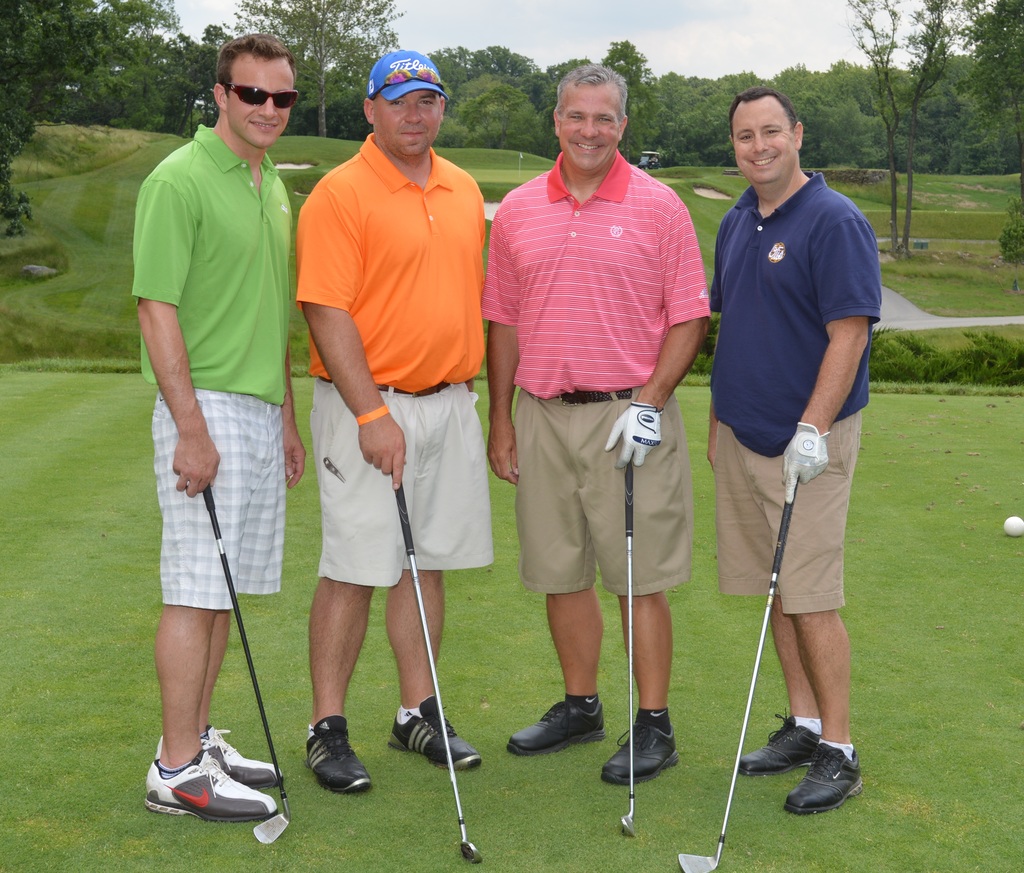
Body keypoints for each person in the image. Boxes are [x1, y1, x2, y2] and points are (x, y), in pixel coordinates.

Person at [483, 64, 710, 784]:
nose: (589, 130)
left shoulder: (660, 206)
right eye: (576, 116)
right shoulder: (518, 209)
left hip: (628, 414)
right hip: (542, 413)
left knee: (638, 576)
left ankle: (655, 723)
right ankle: (581, 706)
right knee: (560, 571)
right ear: (556, 121)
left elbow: (689, 316)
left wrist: (651, 402)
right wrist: (500, 419)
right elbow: (503, 320)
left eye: (604, 117)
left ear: (622, 125)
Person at [295, 49, 493, 794]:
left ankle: (417, 711)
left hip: (449, 400)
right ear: (370, 109)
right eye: (400, 100)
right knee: (353, 566)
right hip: (368, 405)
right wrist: (371, 413)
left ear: (441, 107)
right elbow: (325, 309)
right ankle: (326, 727)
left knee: (424, 561)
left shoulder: (462, 187)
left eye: (428, 100)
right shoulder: (340, 193)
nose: (415, 114)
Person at [133, 33, 305, 822]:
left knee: (222, 590)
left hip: (259, 408)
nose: (269, 108)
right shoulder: (179, 179)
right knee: (195, 587)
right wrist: (191, 427)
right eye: (253, 94)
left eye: (282, 96)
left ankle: (198, 739)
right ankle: (175, 769)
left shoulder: (272, 184)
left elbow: (268, 312)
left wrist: (288, 419)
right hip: (204, 404)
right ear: (221, 96)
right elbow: (156, 308)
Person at [708, 86, 881, 814]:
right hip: (743, 434)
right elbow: (735, 326)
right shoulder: (736, 219)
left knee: (809, 596)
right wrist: (718, 422)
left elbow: (851, 332)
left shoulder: (834, 219)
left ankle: (839, 749)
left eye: (771, 131)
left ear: (798, 134)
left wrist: (812, 427)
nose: (759, 146)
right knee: (776, 589)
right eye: (745, 135)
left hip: (810, 441)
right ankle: (805, 724)